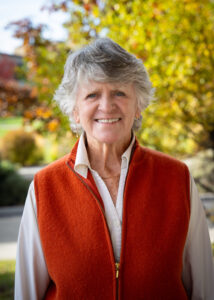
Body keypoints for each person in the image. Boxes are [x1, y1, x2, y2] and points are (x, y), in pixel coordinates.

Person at [15, 38, 214, 299]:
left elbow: (204, 289)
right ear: (75, 111)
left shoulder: (177, 178)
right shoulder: (45, 187)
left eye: (119, 92)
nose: (107, 106)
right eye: (92, 95)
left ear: (138, 105)